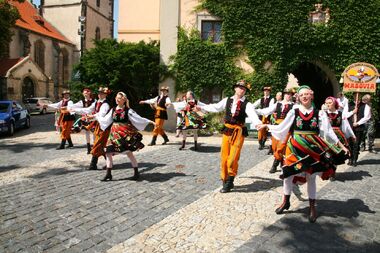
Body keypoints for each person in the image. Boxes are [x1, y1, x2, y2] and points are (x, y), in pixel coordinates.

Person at [258, 85, 349, 223]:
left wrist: (341, 146)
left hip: (312, 147)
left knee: (311, 177)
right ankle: (286, 201)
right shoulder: (293, 112)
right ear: (298, 98)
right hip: (294, 146)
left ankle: (312, 206)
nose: (305, 97)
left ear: (311, 96)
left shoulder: (320, 113)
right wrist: (267, 126)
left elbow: (329, 131)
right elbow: (283, 127)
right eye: (302, 95)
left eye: (307, 94)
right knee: (288, 175)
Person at [197, 80, 261, 193]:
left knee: (232, 158)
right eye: (240, 87)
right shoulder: (227, 100)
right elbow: (215, 107)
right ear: (235, 88)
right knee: (224, 157)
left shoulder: (247, 104)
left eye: (244, 89)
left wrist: (258, 124)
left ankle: (230, 179)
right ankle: (225, 179)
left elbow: (253, 115)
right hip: (227, 131)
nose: (241, 90)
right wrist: (202, 107)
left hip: (238, 132)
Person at [93, 92, 155, 181]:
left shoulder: (127, 110)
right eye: (116, 98)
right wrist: (94, 117)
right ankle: (108, 174)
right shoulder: (113, 109)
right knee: (108, 152)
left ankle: (136, 173)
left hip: (124, 134)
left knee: (129, 153)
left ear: (124, 100)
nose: (117, 99)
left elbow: (138, 118)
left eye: (119, 98)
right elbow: (105, 119)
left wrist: (150, 121)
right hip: (114, 133)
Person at [256, 88, 295, 173]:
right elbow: (266, 110)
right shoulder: (278, 104)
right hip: (277, 128)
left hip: (286, 128)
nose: (288, 95)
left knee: (281, 146)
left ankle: (275, 164)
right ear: (284, 94)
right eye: (287, 94)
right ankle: (281, 161)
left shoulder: (294, 106)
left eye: (290, 94)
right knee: (274, 147)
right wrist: (254, 111)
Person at [71, 87, 112, 170]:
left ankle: (93, 164)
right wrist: (74, 110)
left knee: (98, 144)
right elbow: (88, 110)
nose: (100, 94)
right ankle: (109, 163)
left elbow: (101, 114)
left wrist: (92, 116)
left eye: (102, 93)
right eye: (99, 93)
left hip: (104, 127)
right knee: (101, 145)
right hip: (99, 125)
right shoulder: (97, 102)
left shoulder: (106, 104)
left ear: (106, 95)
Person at [324, 96, 355, 179]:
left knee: (335, 154)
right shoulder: (323, 113)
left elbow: (346, 125)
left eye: (330, 103)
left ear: (334, 103)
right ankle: (328, 171)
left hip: (337, 135)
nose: (328, 104)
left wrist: (351, 135)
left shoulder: (341, 114)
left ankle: (333, 172)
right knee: (327, 155)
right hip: (326, 136)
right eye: (326, 103)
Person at [70, 88, 96, 154]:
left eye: (86, 93)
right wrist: (69, 107)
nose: (85, 94)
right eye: (84, 93)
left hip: (93, 118)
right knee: (87, 132)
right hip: (86, 118)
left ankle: (95, 146)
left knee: (94, 133)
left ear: (89, 93)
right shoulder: (82, 101)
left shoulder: (94, 100)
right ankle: (88, 148)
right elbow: (74, 105)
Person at [351, 94, 372, 165]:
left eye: (359, 96)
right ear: (353, 96)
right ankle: (350, 158)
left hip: (359, 127)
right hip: (349, 127)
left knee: (356, 144)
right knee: (350, 143)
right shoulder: (349, 104)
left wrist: (358, 123)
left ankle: (354, 159)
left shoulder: (365, 106)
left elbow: (367, 117)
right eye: (355, 95)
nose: (357, 97)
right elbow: (345, 114)